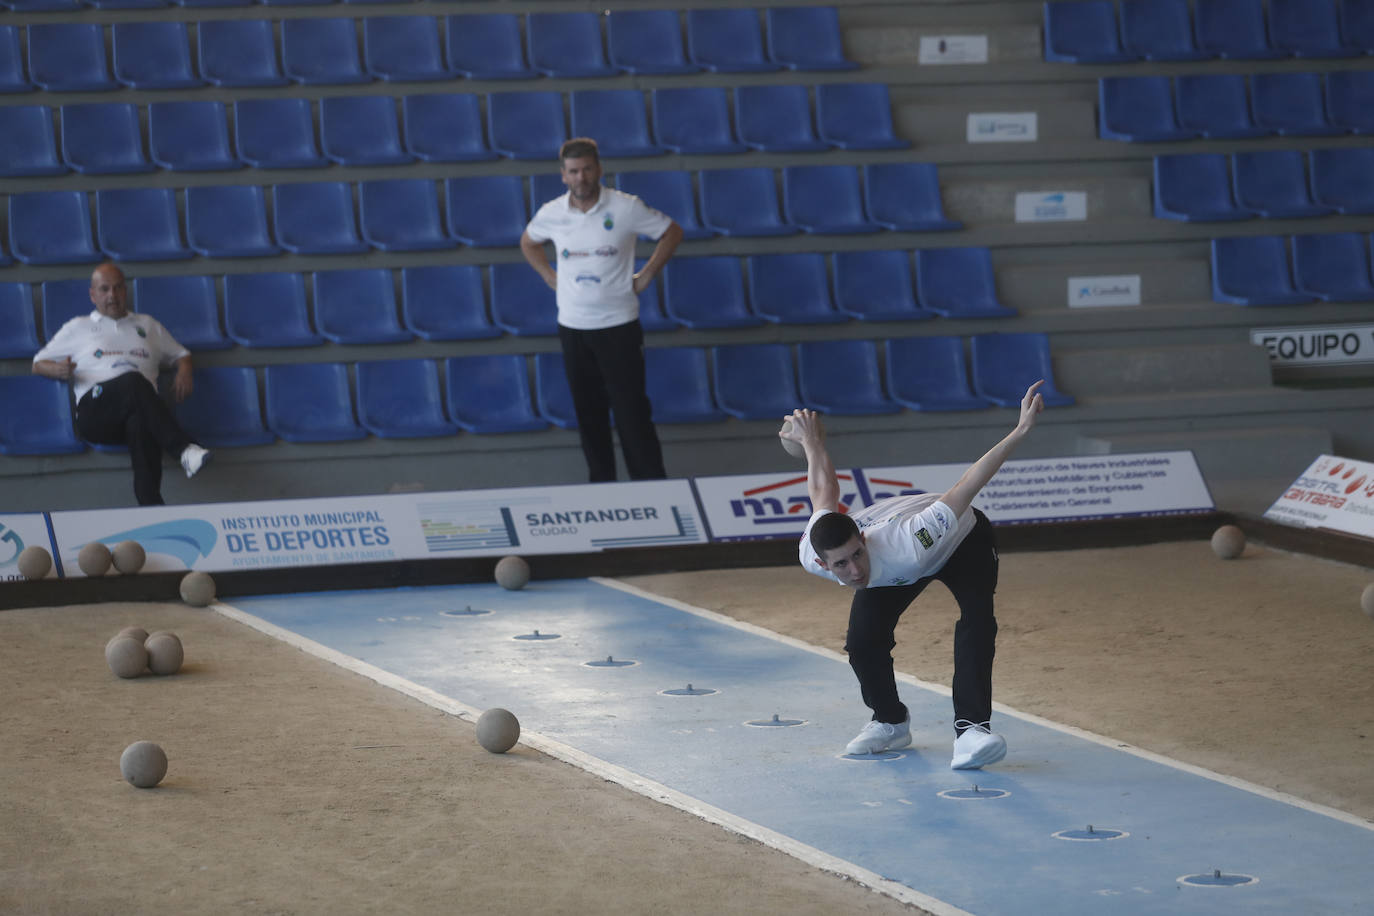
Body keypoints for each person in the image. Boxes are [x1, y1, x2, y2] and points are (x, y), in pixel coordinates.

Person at [782, 381, 1046, 769]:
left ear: (863, 539)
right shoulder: (813, 550)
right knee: (862, 642)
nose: (855, 570)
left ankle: (971, 730)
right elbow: (823, 489)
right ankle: (890, 722)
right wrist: (811, 442)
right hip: (899, 567)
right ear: (822, 564)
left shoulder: (906, 543)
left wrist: (1020, 430)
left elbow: (967, 484)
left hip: (962, 541)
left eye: (857, 554)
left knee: (977, 620)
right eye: (841, 564)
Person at [520, 137, 684, 482]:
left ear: (599, 170)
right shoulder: (552, 213)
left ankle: (651, 485)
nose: (581, 177)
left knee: (631, 412)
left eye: (587, 170)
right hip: (573, 327)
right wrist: (549, 276)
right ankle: (602, 487)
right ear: (563, 175)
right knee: (588, 413)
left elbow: (671, 232)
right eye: (573, 171)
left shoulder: (626, 207)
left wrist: (647, 274)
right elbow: (528, 241)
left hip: (619, 324)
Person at [32, 262, 211, 506]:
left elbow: (181, 354)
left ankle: (152, 507)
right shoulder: (78, 327)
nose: (112, 296)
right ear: (92, 294)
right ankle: (183, 449)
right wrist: (57, 369)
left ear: (125, 291)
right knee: (133, 381)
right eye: (104, 289)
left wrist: (185, 370)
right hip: (96, 412)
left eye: (117, 289)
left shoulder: (147, 325)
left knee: (140, 419)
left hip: (136, 410)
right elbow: (38, 363)